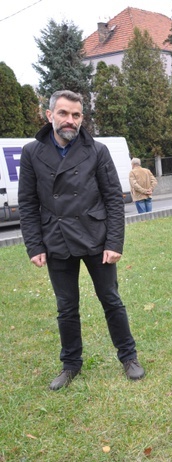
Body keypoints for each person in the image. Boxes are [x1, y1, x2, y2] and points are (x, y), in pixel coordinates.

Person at [18, 90, 145, 390]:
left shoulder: (97, 151)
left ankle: (129, 357)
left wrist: (114, 242)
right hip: (56, 238)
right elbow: (26, 202)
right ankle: (71, 364)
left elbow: (114, 198)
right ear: (49, 115)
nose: (69, 120)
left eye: (76, 115)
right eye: (63, 113)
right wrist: (34, 245)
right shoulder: (31, 153)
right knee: (66, 306)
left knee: (111, 299)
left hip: (96, 238)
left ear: (82, 119)